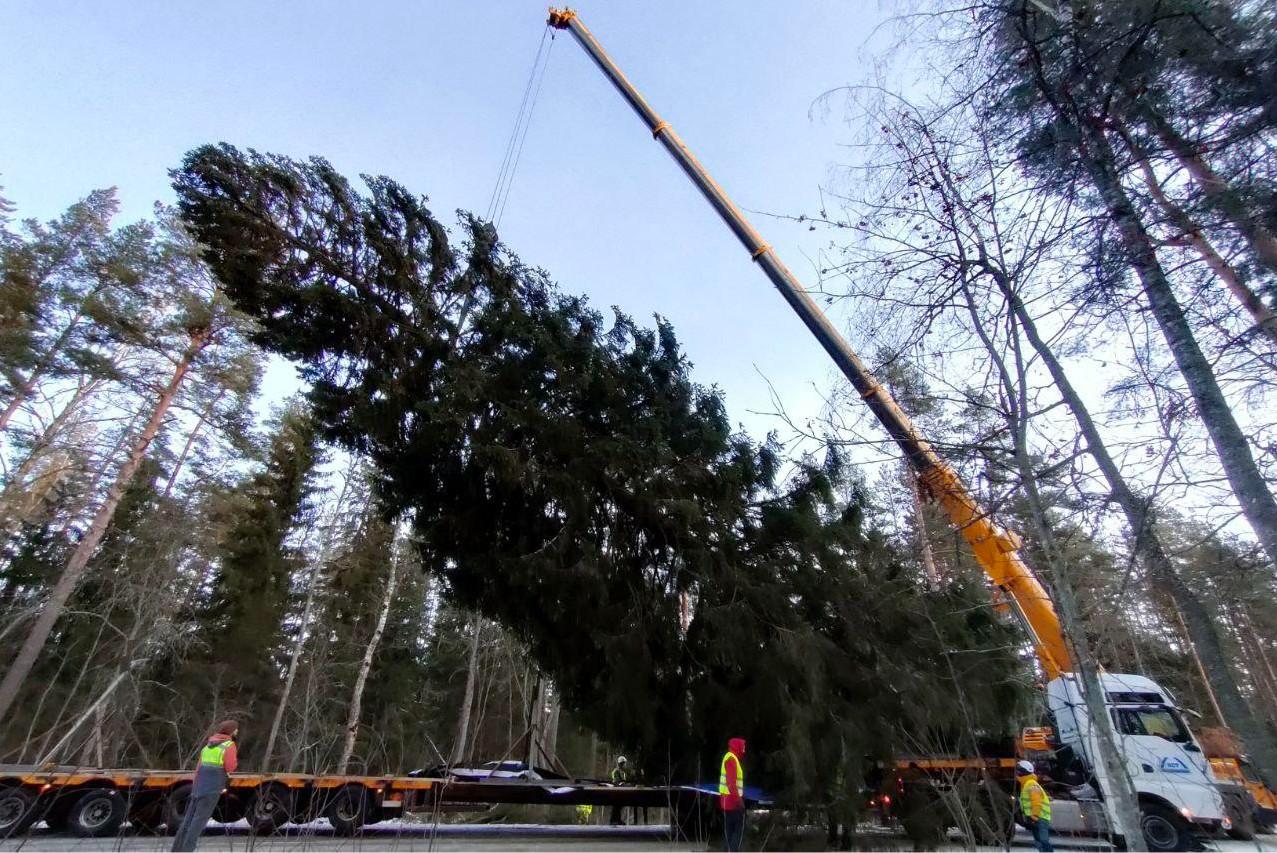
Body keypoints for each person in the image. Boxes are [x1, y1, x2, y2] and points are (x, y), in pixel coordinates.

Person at [171, 720, 239, 852]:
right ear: (231, 731)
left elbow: (198, 768)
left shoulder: (208, 745)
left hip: (199, 786)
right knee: (198, 823)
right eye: (236, 729)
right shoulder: (229, 745)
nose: (237, 731)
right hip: (212, 788)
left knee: (188, 821)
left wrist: (196, 785)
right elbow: (230, 767)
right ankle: (187, 850)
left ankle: (177, 849)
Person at [1017, 759, 1053, 852]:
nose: (1017, 773)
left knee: (1043, 841)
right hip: (1036, 818)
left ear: (1023, 772)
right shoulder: (1026, 784)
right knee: (1039, 841)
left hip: (1039, 818)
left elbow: (1036, 801)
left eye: (1018, 770)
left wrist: (1034, 817)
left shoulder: (1031, 784)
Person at [719, 737, 746, 852]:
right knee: (737, 831)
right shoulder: (731, 759)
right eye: (743, 747)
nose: (744, 750)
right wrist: (739, 801)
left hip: (727, 801)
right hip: (733, 803)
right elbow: (731, 783)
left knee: (729, 831)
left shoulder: (730, 758)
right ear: (738, 747)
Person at [609, 755, 629, 825]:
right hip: (615, 790)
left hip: (621, 791)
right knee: (616, 805)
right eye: (624, 763)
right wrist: (622, 784)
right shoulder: (616, 771)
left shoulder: (623, 772)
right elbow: (616, 781)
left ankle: (617, 819)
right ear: (621, 764)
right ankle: (613, 820)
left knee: (619, 805)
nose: (625, 765)